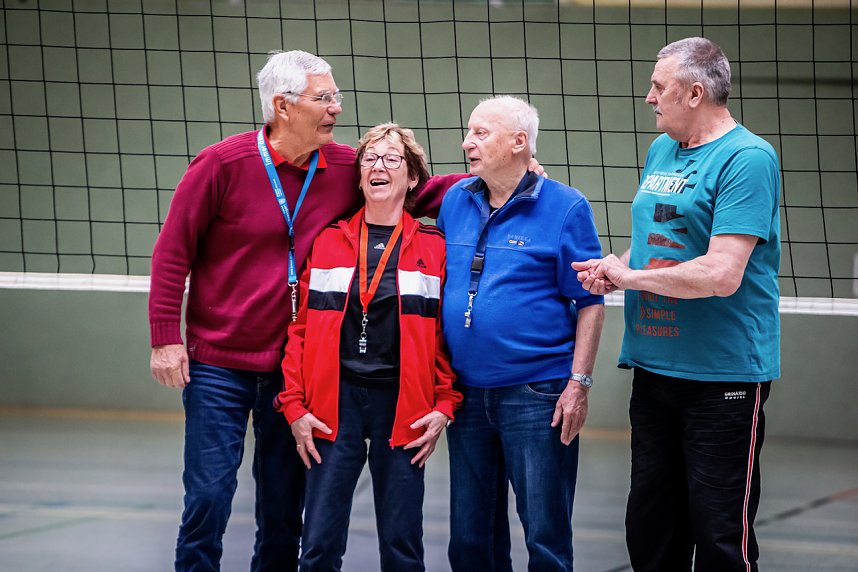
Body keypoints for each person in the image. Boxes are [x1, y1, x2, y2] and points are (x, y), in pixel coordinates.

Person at [147, 50, 463, 572]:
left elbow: (420, 190)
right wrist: (165, 337)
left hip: (289, 374)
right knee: (207, 500)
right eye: (325, 98)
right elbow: (172, 251)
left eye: (335, 96)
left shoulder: (342, 166)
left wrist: (501, 178)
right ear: (284, 105)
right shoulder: (220, 165)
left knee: (282, 514)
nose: (337, 107)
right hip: (219, 365)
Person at [573, 37, 780, 572]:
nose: (648, 98)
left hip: (722, 376)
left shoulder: (747, 158)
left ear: (694, 92)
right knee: (651, 532)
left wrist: (630, 277)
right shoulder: (662, 149)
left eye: (657, 87)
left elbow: (721, 273)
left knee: (719, 537)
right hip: (655, 368)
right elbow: (657, 244)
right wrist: (614, 266)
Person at [275, 123, 462, 571]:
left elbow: (444, 336)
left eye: (392, 159)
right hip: (332, 404)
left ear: (412, 177)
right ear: (359, 176)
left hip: (403, 406)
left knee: (402, 548)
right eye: (370, 159)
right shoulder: (329, 240)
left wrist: (444, 402)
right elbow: (299, 330)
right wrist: (294, 406)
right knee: (317, 545)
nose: (379, 166)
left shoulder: (435, 247)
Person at [438, 95, 605, 572]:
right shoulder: (456, 200)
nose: (467, 142)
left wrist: (579, 384)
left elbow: (591, 302)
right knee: (471, 542)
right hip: (467, 394)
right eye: (469, 132)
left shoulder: (567, 207)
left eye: (479, 133)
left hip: (537, 395)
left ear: (518, 143)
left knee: (545, 537)